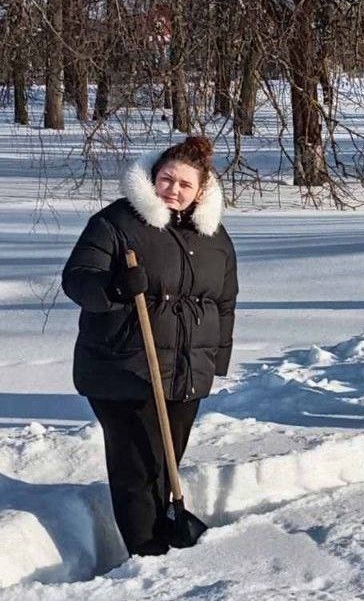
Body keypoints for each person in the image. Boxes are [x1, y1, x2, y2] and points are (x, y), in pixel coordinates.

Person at [62, 136, 238, 557]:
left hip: (185, 372)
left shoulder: (213, 236)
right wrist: (114, 287)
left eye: (185, 184)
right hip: (122, 367)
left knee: (163, 464)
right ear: (153, 177)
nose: (173, 190)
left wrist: (215, 360)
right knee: (137, 468)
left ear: (201, 191)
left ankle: (163, 535)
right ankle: (147, 556)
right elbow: (77, 278)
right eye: (166, 179)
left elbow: (224, 302)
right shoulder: (117, 222)